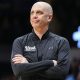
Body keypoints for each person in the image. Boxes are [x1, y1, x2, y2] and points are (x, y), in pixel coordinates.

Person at [11, 1, 70, 80]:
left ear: (49, 17)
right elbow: (18, 71)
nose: (34, 16)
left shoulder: (61, 42)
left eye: (39, 13)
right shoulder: (19, 42)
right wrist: (50, 63)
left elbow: (61, 73)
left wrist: (28, 65)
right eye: (32, 13)